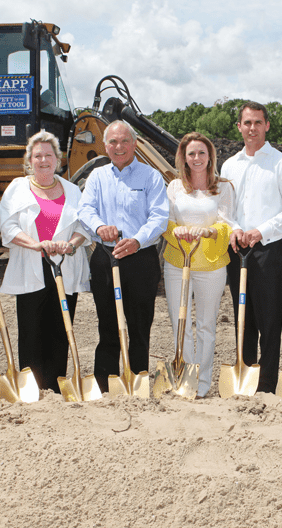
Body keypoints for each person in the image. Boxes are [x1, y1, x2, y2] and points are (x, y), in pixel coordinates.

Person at [79, 120, 169, 393]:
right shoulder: (97, 177)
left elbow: (159, 217)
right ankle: (105, 384)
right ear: (105, 146)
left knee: (140, 325)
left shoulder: (150, 177)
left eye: (124, 141)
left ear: (135, 144)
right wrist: (98, 227)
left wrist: (137, 240)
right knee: (107, 324)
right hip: (105, 258)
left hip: (141, 259)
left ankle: (137, 381)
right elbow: (85, 209)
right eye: (113, 142)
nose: (119, 147)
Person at [221, 102, 282, 393]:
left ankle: (267, 383)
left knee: (270, 319)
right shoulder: (229, 165)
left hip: (268, 249)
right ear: (239, 127)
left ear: (267, 126)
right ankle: (245, 374)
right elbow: (224, 209)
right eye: (247, 123)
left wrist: (261, 231)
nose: (252, 128)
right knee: (243, 315)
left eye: (258, 122)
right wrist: (235, 229)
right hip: (237, 249)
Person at [0, 131, 90, 393]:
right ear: (29, 160)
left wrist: (71, 245)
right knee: (30, 330)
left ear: (57, 159)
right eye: (37, 155)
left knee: (61, 330)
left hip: (63, 267)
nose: (43, 160)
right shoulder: (17, 188)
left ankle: (54, 387)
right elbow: (8, 227)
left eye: (48, 155)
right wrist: (36, 244)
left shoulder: (72, 190)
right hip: (31, 266)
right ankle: (31, 389)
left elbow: (84, 225)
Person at [162, 133, 235, 398]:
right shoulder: (174, 187)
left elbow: (227, 222)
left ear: (210, 156)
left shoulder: (223, 187)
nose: (196, 158)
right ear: (183, 157)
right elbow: (167, 221)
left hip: (211, 263)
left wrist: (208, 232)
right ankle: (185, 379)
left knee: (205, 325)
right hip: (177, 261)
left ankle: (202, 383)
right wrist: (178, 231)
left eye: (201, 153)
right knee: (180, 322)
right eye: (191, 153)